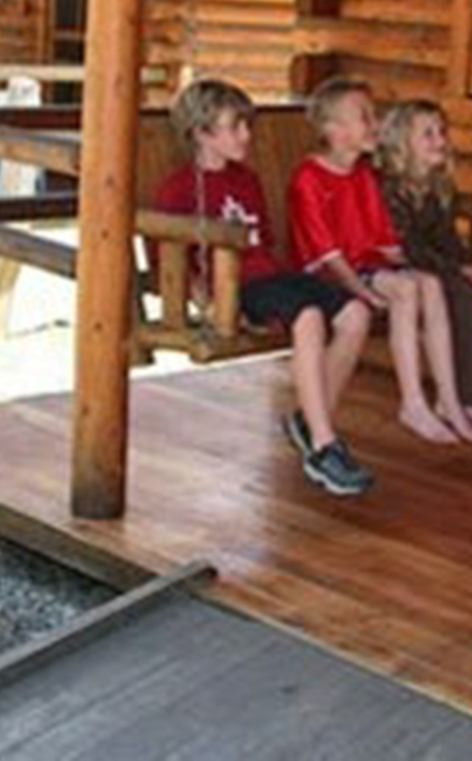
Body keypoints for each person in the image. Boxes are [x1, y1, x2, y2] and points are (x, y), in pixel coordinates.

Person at [153, 79, 374, 496]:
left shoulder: (247, 179)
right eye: (235, 128)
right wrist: (206, 302)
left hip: (272, 276)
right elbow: (168, 258)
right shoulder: (180, 189)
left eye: (247, 127)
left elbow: (266, 242)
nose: (246, 136)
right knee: (307, 318)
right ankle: (325, 446)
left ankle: (310, 421)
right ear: (202, 133)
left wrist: (302, 281)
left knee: (356, 314)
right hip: (235, 287)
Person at [288, 77, 472, 445]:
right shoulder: (309, 179)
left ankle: (450, 399)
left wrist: (420, 266)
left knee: (428, 284)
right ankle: (412, 402)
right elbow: (327, 254)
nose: (375, 125)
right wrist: (363, 292)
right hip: (330, 274)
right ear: (333, 129)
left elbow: (386, 242)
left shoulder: (363, 175)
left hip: (368, 266)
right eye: (365, 116)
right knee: (407, 288)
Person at [378, 100, 472, 432]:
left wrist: (469, 263)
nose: (439, 141)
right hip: (405, 267)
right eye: (427, 134)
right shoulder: (389, 188)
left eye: (442, 132)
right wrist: (457, 271)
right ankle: (467, 395)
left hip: (437, 264)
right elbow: (408, 247)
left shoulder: (437, 185)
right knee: (462, 292)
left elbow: (446, 237)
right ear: (402, 142)